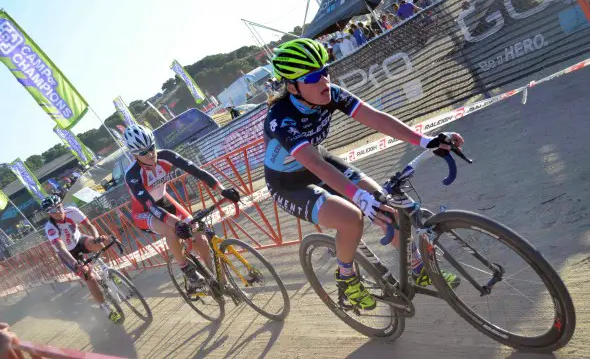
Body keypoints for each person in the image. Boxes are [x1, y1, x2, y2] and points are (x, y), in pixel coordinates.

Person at [264, 38, 462, 311]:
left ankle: (419, 268)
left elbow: (376, 118)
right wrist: (358, 197)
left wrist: (425, 140)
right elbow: (316, 166)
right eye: (312, 77)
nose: (323, 80)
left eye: (325, 70)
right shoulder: (280, 117)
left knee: (385, 208)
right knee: (351, 218)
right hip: (288, 183)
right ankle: (346, 278)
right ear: (291, 86)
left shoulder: (330, 93)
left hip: (320, 161)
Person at [122, 125, 240, 293]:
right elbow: (150, 205)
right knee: (171, 230)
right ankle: (187, 270)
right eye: (143, 152)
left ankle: (221, 284)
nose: (149, 154)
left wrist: (222, 190)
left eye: (151, 148)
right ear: (134, 154)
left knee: (201, 242)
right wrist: (177, 224)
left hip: (164, 201)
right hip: (145, 211)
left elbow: (196, 171)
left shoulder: (166, 156)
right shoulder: (132, 174)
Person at [41, 195, 122, 323]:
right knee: (89, 277)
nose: (57, 211)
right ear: (48, 213)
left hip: (79, 240)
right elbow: (61, 248)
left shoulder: (72, 211)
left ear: (62, 205)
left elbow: (90, 226)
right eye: (52, 210)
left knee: (98, 244)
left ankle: (108, 269)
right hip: (68, 253)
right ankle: (105, 307)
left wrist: (96, 237)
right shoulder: (50, 228)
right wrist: (75, 263)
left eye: (59, 207)